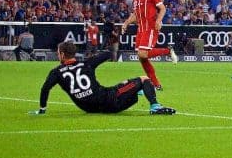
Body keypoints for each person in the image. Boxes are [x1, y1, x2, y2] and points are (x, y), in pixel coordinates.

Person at [29, 41, 175, 115]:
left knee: (129, 88)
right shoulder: (87, 64)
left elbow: (45, 89)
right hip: (110, 101)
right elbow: (107, 54)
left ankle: (137, 92)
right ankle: (155, 106)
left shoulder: (56, 72)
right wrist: (94, 58)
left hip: (89, 108)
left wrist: (42, 109)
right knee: (144, 79)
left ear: (61, 55)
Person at [122, 0, 178, 90]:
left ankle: (168, 51)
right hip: (141, 29)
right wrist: (126, 22)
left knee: (143, 53)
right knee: (142, 58)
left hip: (150, 27)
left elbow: (162, 8)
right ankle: (156, 84)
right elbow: (136, 14)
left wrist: (158, 21)